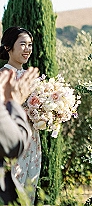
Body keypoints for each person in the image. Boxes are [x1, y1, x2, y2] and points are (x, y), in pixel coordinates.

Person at [0, 27, 42, 204]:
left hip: (33, 140)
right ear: (9, 47)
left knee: (29, 192)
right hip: (12, 138)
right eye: (23, 44)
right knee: (13, 190)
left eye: (30, 45)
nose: (27, 49)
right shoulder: (3, 75)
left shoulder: (31, 76)